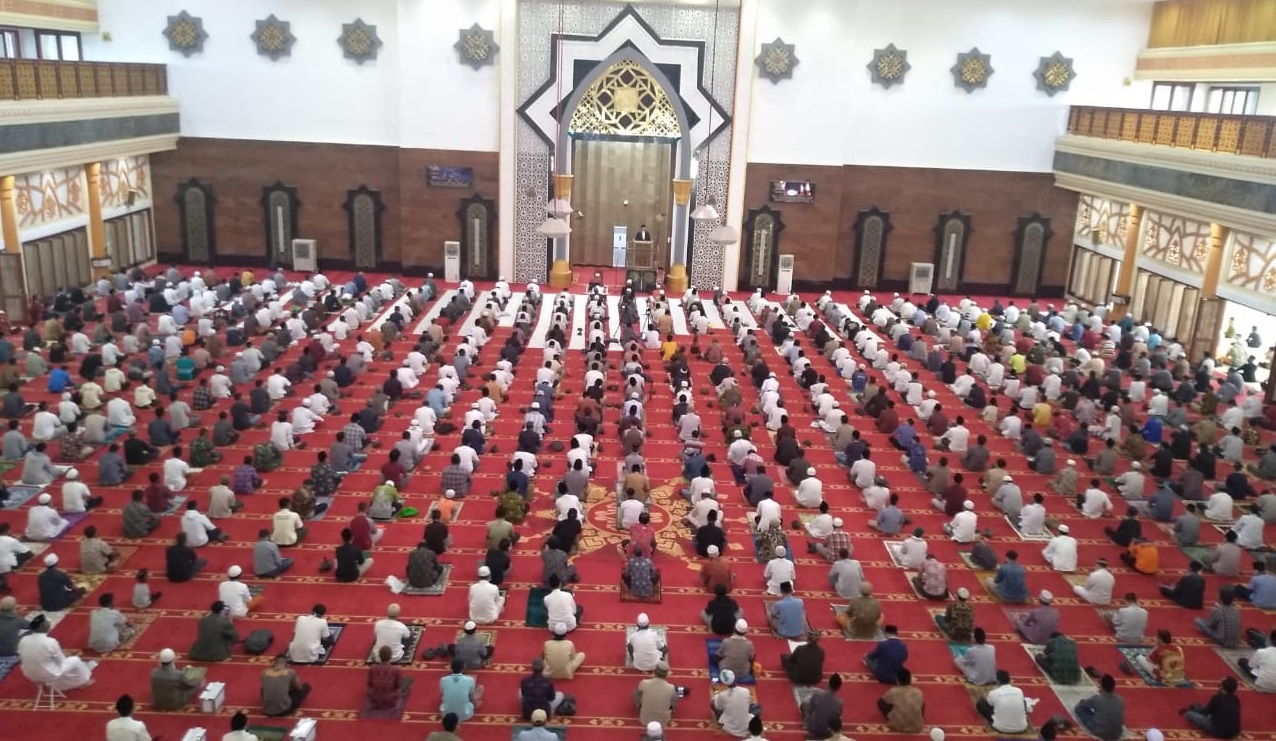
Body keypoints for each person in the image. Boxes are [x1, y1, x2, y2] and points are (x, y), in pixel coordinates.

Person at [17, 614, 97, 691]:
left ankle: (72, 676)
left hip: (29, 674)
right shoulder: (50, 642)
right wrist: (65, 655)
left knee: (54, 663)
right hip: (48, 674)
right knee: (75, 660)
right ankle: (85, 681)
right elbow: (61, 661)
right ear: (45, 627)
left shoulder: (23, 639)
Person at [1073, 674, 1125, 741]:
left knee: (1079, 709)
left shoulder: (1097, 699)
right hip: (1117, 734)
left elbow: (1081, 705)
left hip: (1100, 732)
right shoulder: (1120, 700)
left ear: (1102, 686)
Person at [877, 667, 926, 733]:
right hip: (917, 726)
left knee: (882, 702)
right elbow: (922, 706)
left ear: (898, 680)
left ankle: (892, 720)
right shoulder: (918, 692)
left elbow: (881, 702)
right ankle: (917, 719)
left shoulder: (893, 691)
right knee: (921, 703)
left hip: (897, 725)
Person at [712, 668, 758, 738]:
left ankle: (720, 720)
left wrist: (715, 691)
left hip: (729, 727)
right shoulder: (745, 691)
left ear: (724, 682)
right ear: (735, 678)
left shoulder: (722, 695)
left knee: (713, 703)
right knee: (756, 707)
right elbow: (748, 703)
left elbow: (718, 706)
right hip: (745, 726)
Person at [367, 644, 413, 711]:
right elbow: (398, 685)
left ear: (379, 656)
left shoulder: (372, 668)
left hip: (374, 700)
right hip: (391, 701)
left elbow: (370, 684)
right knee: (408, 680)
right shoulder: (396, 669)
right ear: (390, 656)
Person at [634, 661, 679, 727]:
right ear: (666, 674)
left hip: (645, 719)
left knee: (636, 692)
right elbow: (672, 703)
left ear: (655, 671)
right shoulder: (671, 688)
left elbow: (637, 696)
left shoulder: (644, 683)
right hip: (663, 721)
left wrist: (639, 704)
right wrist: (672, 708)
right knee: (675, 695)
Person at [439, 657, 483, 722]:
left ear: (451, 667)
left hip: (446, 714)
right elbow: (470, 696)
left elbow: (442, 695)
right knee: (480, 688)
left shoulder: (443, 680)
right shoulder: (470, 680)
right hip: (465, 714)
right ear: (464, 667)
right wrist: (476, 704)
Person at [802, 673, 843, 740]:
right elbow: (837, 719)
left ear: (828, 683)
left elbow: (810, 710)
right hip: (827, 731)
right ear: (839, 687)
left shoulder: (817, 695)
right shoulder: (839, 703)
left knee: (804, 705)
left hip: (813, 727)